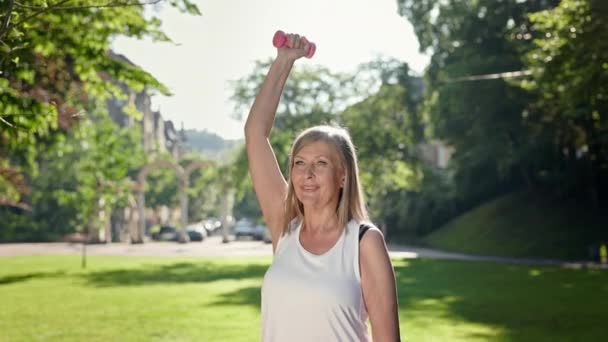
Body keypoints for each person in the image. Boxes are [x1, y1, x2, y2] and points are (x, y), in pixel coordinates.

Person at [245, 32, 401, 342]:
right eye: (299, 163)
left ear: (343, 176)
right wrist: (284, 61)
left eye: (321, 164)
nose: (307, 174)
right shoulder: (285, 229)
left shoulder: (363, 242)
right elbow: (255, 133)